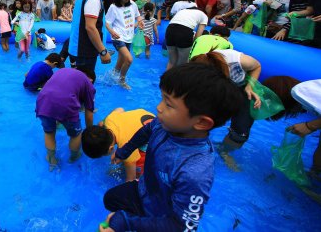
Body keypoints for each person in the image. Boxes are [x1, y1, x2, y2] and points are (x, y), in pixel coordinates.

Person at [100, 63, 243, 232]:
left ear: (201, 122)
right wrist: (124, 151)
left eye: (168, 104)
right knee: (111, 199)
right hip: (145, 190)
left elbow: (183, 227)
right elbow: (146, 131)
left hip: (164, 217)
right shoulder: (164, 124)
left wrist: (128, 222)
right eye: (162, 99)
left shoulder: (195, 172)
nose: (158, 108)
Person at [191, 48, 263, 157]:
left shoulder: (238, 60)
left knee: (241, 129)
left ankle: (225, 152)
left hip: (241, 88)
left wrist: (250, 87)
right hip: (219, 90)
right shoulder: (197, 69)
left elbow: (257, 66)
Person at [35, 68, 96, 171]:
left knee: (49, 133)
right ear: (91, 80)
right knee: (76, 135)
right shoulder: (88, 84)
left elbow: (57, 93)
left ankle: (51, 159)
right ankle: (74, 156)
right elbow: (89, 114)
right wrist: (90, 132)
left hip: (42, 101)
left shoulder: (62, 71)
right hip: (66, 104)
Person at [82, 108, 155, 182]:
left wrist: (125, 160)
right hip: (147, 116)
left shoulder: (127, 149)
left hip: (155, 135)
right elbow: (120, 109)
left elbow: (130, 180)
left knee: (138, 172)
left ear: (111, 149)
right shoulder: (108, 119)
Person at [69, 0, 112, 72]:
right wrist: (103, 51)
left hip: (79, 49)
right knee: (84, 85)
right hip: (85, 51)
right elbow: (90, 27)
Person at [105, 0, 144, 89]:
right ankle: (122, 81)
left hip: (129, 37)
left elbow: (138, 16)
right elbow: (107, 22)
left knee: (121, 60)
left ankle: (112, 76)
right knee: (129, 59)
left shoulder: (133, 4)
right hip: (118, 37)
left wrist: (140, 21)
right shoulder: (113, 7)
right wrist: (112, 32)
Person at [165, 4, 208, 70]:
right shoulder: (204, 16)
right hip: (184, 32)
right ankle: (179, 80)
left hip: (169, 30)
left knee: (171, 62)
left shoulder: (182, 11)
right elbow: (198, 36)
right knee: (183, 64)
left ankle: (166, 79)